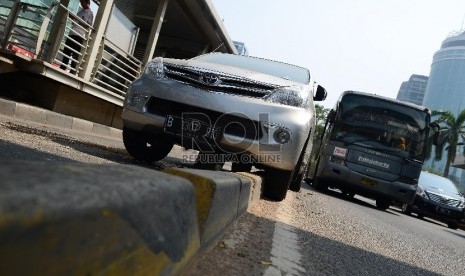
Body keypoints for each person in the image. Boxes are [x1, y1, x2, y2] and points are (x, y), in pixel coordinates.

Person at [60, 0, 94, 74]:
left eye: (82, 2)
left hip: (79, 35)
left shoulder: (90, 13)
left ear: (87, 2)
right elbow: (74, 22)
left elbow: (88, 26)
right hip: (72, 33)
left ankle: (72, 72)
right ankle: (62, 67)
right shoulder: (80, 11)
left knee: (75, 55)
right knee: (66, 51)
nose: (81, 3)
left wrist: (79, 21)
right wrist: (73, 18)